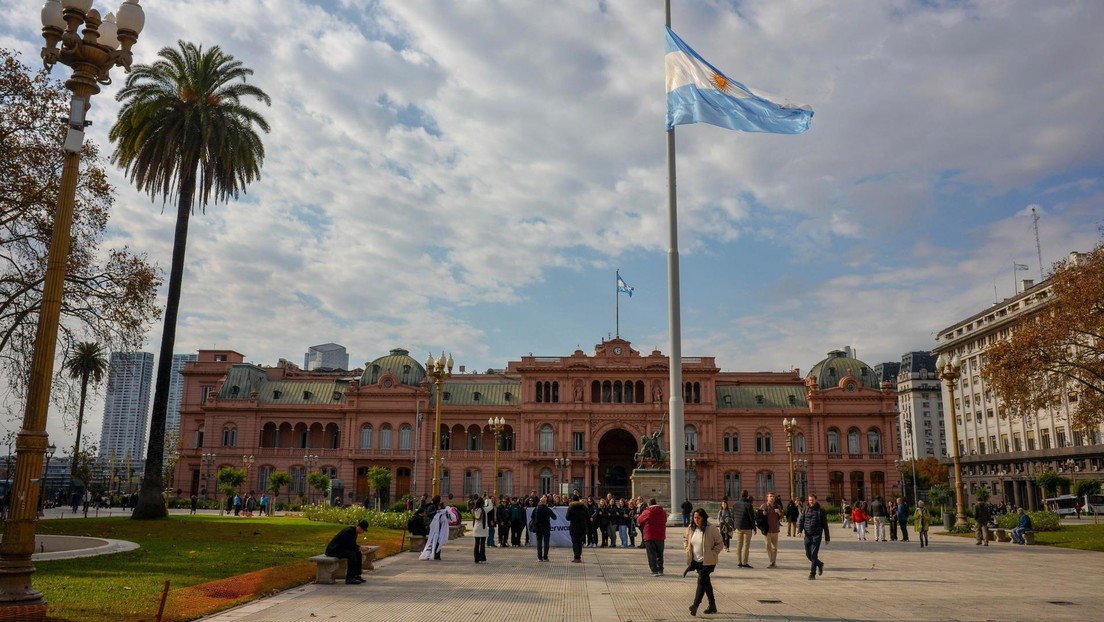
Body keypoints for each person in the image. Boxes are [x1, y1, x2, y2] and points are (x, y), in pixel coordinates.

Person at [683, 508, 722, 616]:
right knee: (706, 582)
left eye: (698, 518)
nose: (696, 520)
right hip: (696, 561)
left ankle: (695, 605)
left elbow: (720, 544)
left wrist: (713, 553)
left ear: (703, 518)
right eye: (694, 517)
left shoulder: (711, 528)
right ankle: (712, 605)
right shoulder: (691, 528)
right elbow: (685, 539)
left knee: (701, 581)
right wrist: (687, 549)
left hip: (708, 561)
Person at [325, 519, 369, 584]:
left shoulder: (354, 532)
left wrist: (359, 548)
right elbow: (348, 545)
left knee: (358, 553)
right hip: (334, 550)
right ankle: (350, 578)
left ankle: (356, 575)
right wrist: (359, 548)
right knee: (352, 555)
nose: (363, 532)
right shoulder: (348, 531)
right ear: (359, 527)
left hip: (341, 548)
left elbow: (351, 544)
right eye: (363, 530)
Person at [798, 494, 829, 580]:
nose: (811, 501)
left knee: (814, 555)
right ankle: (819, 564)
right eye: (810, 500)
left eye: (812, 500)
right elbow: (801, 521)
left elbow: (825, 525)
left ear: (816, 500)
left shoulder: (820, 511)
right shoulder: (805, 510)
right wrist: (799, 531)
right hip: (807, 535)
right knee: (808, 554)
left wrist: (827, 538)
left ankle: (812, 573)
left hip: (817, 535)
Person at [637, 498, 667, 576]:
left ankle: (654, 571)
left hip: (649, 535)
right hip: (660, 535)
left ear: (648, 504)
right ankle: (660, 570)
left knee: (651, 554)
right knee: (660, 554)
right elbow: (665, 520)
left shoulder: (647, 512)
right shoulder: (663, 512)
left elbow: (639, 520)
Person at [420, 495, 450, 560]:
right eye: (440, 499)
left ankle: (437, 555)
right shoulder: (432, 506)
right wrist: (436, 512)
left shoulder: (440, 506)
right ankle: (431, 554)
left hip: (439, 526)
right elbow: (428, 514)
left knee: (439, 539)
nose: (442, 500)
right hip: (432, 526)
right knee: (432, 540)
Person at [732, 490, 756, 568]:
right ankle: (744, 562)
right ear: (747, 495)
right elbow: (752, 518)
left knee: (739, 544)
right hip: (747, 528)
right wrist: (754, 528)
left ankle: (739, 562)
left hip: (738, 527)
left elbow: (733, 516)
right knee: (746, 545)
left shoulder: (735, 504)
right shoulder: (748, 505)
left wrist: (734, 525)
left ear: (740, 494)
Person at [760, 492, 783, 567]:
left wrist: (779, 512)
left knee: (774, 547)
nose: (772, 498)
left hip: (775, 529)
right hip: (766, 530)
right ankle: (771, 561)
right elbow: (758, 516)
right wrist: (763, 514)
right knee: (767, 546)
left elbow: (781, 517)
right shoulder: (763, 506)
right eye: (770, 496)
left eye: (773, 496)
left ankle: (773, 561)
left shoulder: (777, 506)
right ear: (767, 497)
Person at [566, 492, 589, 563]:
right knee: (580, 542)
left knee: (575, 542)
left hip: (574, 527)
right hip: (582, 527)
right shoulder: (584, 507)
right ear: (579, 499)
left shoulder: (571, 507)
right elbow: (587, 517)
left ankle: (576, 557)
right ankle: (579, 556)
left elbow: (567, 518)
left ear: (573, 500)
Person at [532, 495, 555, 562]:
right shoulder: (548, 509)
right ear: (545, 503)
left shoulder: (536, 509)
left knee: (539, 542)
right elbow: (554, 517)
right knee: (546, 542)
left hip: (538, 527)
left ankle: (539, 558)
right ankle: (545, 557)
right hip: (546, 528)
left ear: (540, 502)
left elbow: (532, 516)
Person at [471, 494, 490, 563]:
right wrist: (487, 499)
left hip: (476, 528)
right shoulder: (484, 509)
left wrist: (481, 499)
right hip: (482, 529)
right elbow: (490, 507)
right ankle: (482, 559)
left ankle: (476, 559)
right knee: (482, 544)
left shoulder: (474, 509)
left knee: (476, 544)